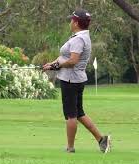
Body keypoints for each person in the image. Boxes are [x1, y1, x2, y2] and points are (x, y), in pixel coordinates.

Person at [43, 9, 111, 153]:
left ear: (76, 22)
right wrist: (52, 64)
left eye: (71, 20)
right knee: (79, 113)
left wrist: (56, 65)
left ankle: (70, 147)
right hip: (74, 79)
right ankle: (101, 139)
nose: (70, 22)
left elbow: (73, 60)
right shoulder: (79, 36)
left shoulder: (79, 39)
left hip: (71, 80)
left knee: (71, 115)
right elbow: (65, 57)